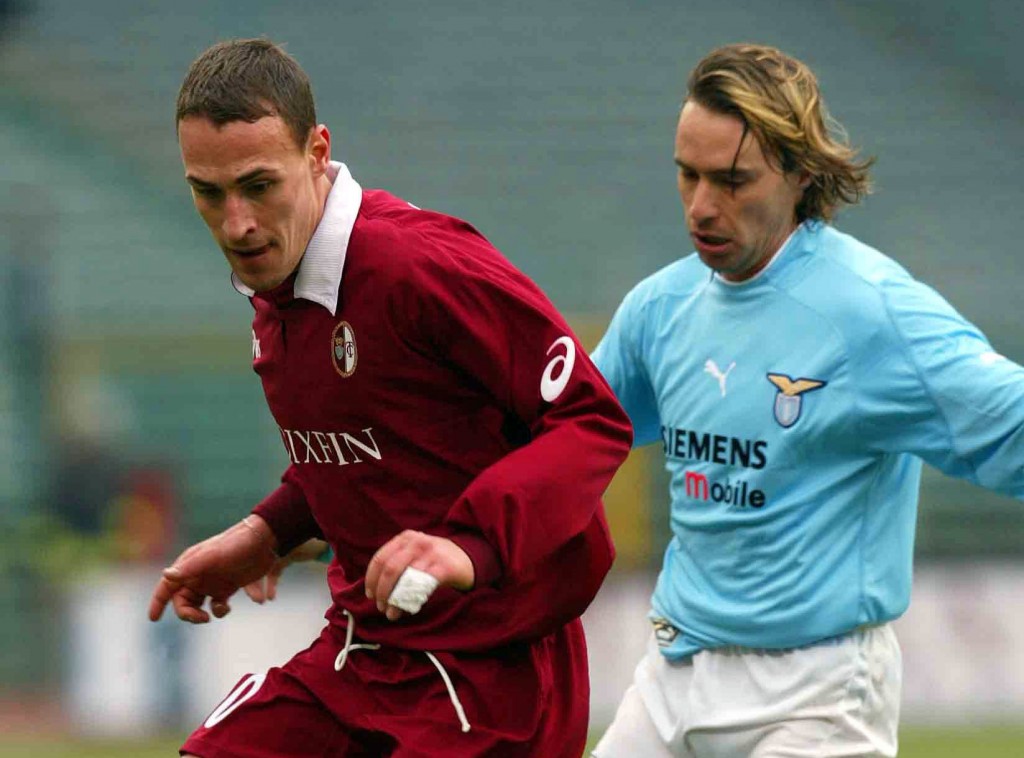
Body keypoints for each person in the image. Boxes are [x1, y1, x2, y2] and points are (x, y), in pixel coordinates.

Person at [147, 38, 632, 758]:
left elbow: (590, 420)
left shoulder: (417, 267)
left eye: (257, 185)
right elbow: (388, 444)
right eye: (208, 192)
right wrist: (266, 533)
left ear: (317, 153)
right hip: (365, 652)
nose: (236, 223)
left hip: (491, 675)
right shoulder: (277, 281)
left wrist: (469, 546)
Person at [590, 43, 1024, 758]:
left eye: (732, 181)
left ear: (798, 172)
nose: (702, 206)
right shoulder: (660, 309)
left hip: (817, 696)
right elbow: (552, 441)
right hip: (673, 675)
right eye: (687, 175)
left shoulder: (871, 313)